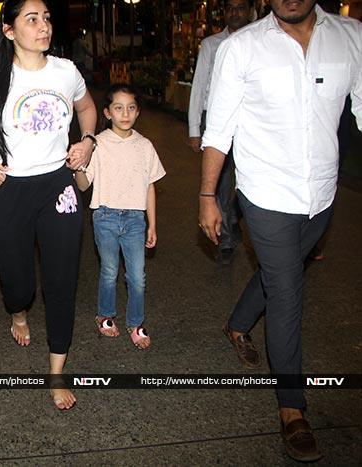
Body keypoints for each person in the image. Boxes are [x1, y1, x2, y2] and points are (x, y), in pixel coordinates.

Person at [198, 1, 362, 461]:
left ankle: (236, 324)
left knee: (281, 271)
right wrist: (207, 196)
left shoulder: (352, 37)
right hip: (265, 192)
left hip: (321, 195)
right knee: (288, 290)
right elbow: (220, 128)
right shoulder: (242, 47)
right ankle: (293, 407)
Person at [0, 0, 97, 410]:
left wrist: (87, 141)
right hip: (9, 189)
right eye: (32, 19)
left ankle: (57, 371)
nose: (43, 26)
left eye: (46, 18)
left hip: (57, 185)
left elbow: (86, 108)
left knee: (62, 281)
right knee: (18, 284)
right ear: (10, 30)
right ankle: (17, 312)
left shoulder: (66, 71)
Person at [75, 84, 165, 348]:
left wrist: (152, 224)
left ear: (137, 113)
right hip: (105, 216)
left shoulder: (145, 146)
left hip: (136, 219)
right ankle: (106, 315)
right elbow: (82, 185)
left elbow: (150, 185)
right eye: (118, 108)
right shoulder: (98, 144)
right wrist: (79, 165)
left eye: (131, 107)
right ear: (107, 112)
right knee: (110, 270)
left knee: (138, 275)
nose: (125, 113)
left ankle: (135, 323)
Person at [187, 0, 252, 265]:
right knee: (221, 182)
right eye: (230, 8)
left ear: (250, 10)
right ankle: (225, 239)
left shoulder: (260, 41)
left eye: (240, 7)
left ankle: (233, 216)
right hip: (216, 121)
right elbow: (199, 83)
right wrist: (194, 128)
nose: (235, 13)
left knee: (248, 181)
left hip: (251, 124)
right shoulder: (212, 44)